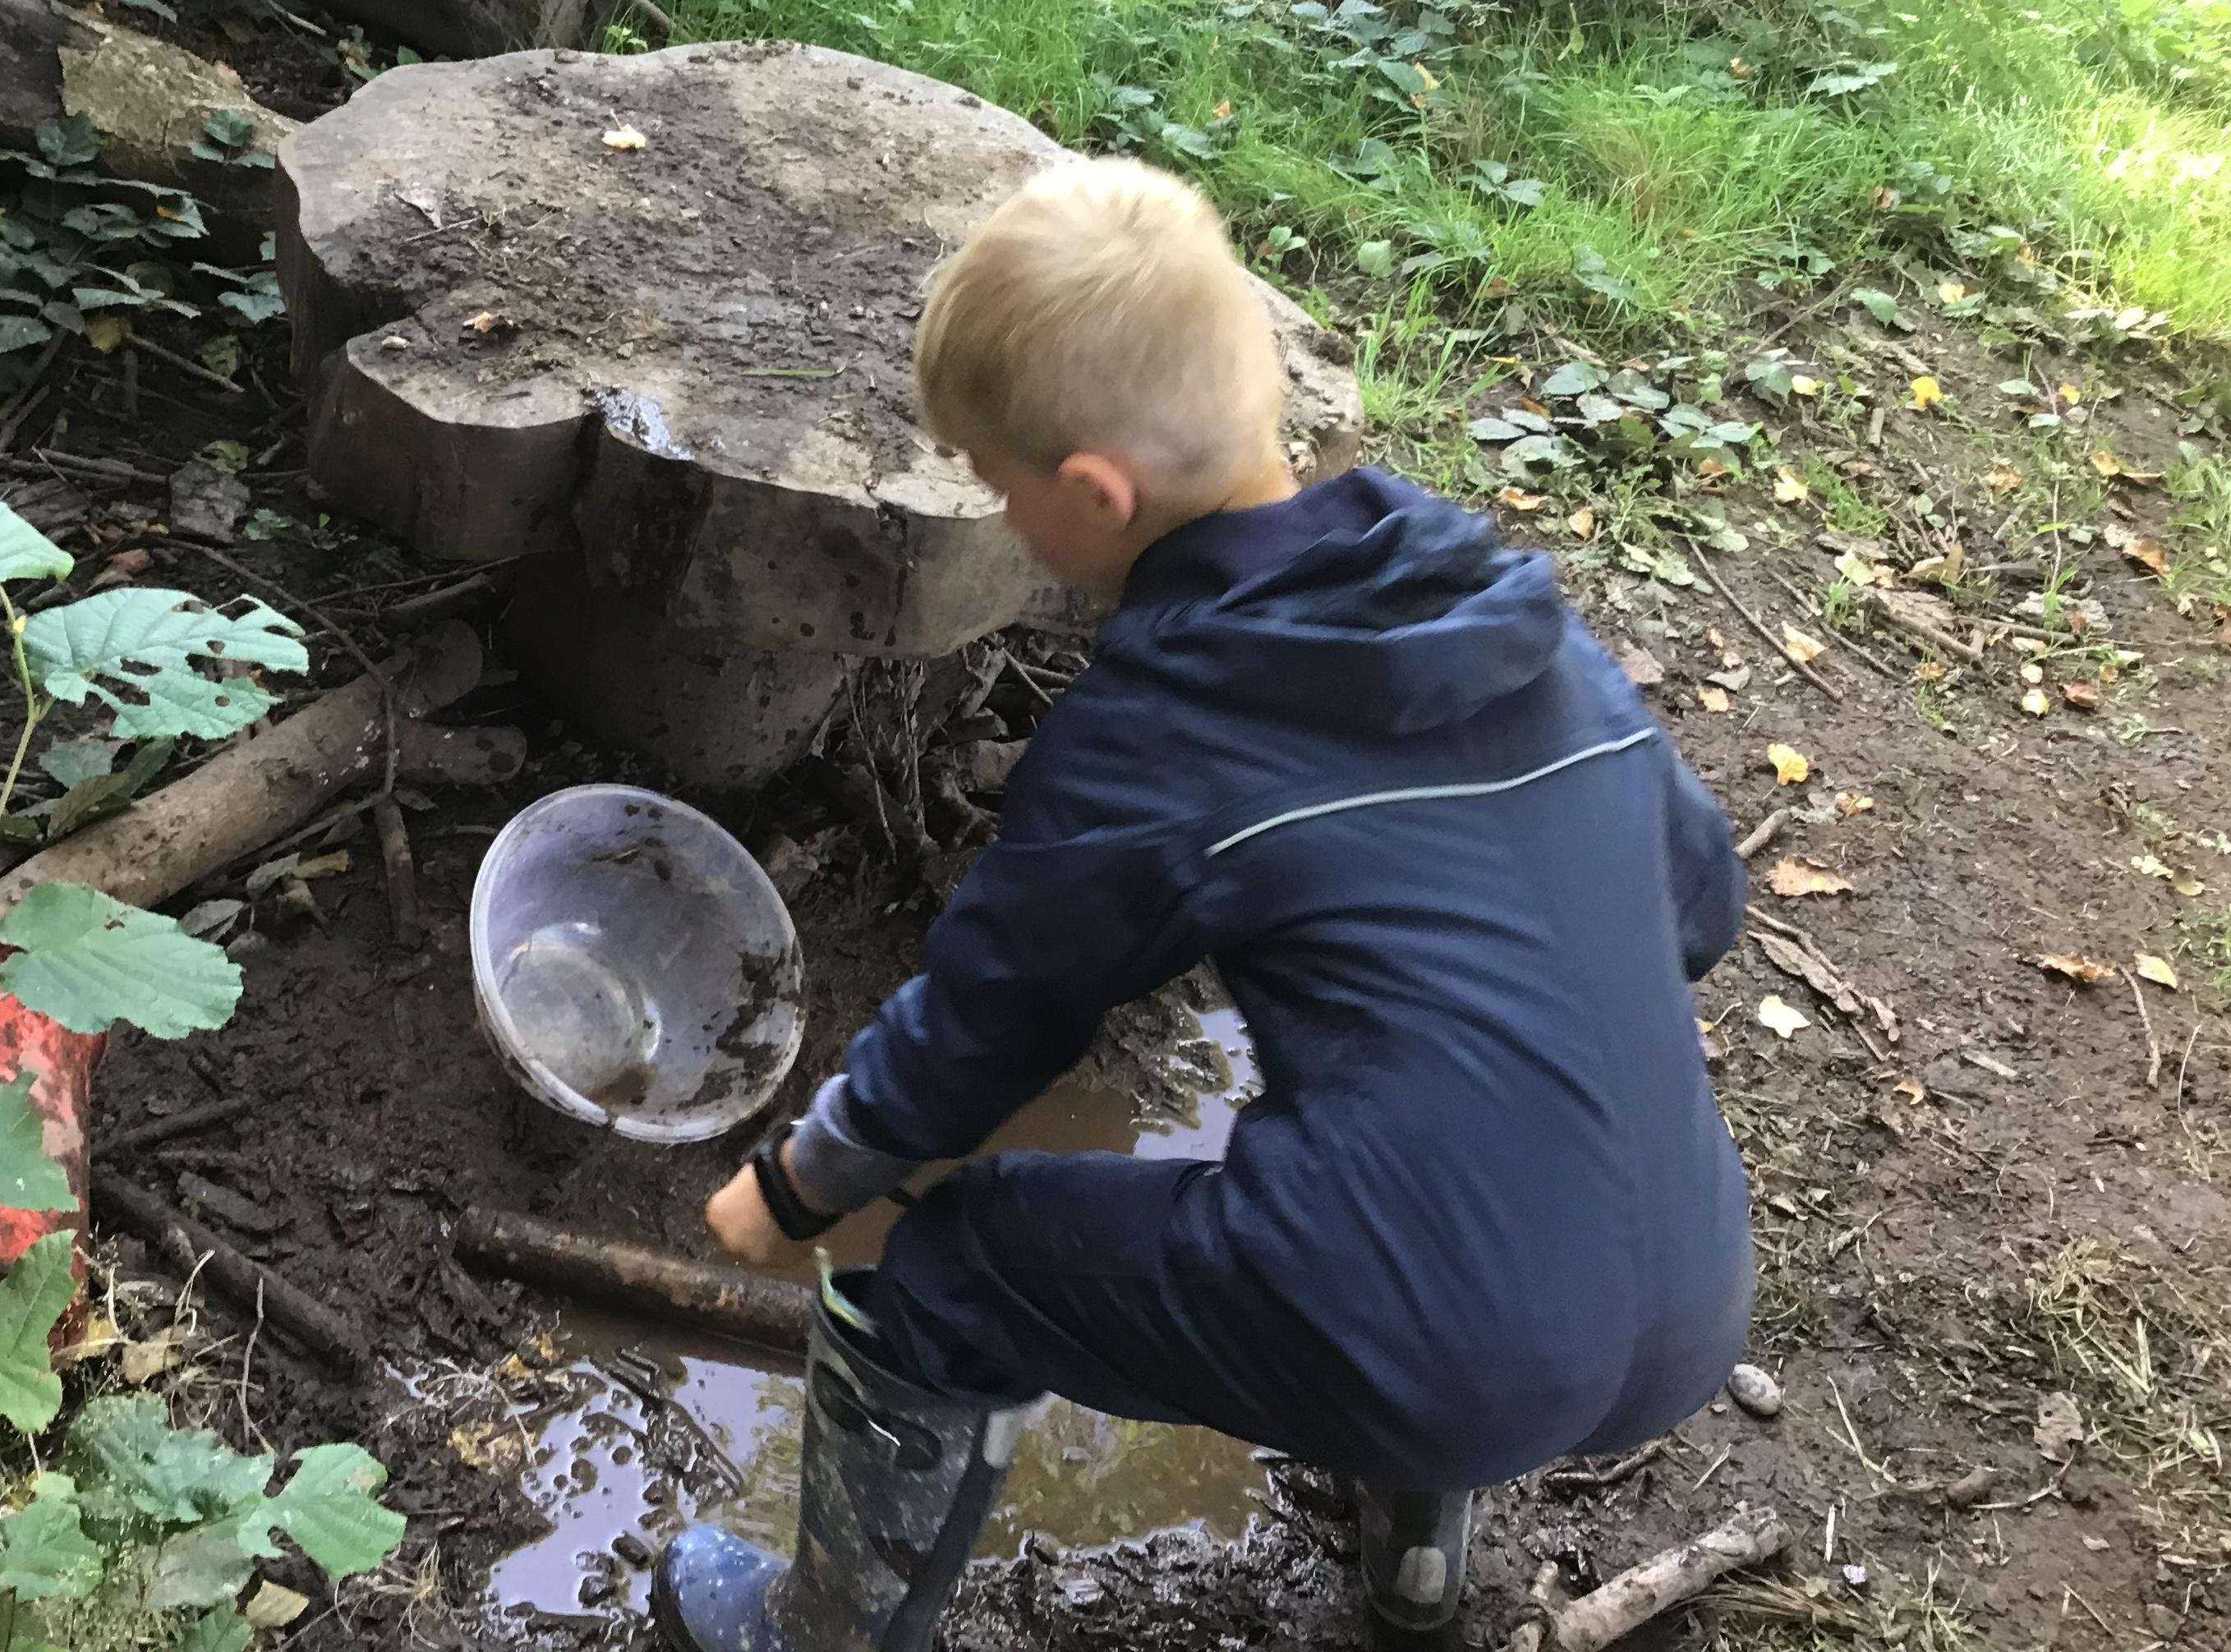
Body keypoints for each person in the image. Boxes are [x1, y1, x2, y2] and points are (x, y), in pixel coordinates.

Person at [653, 159, 1755, 1652]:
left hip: (1447, 1343)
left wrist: (797, 1185)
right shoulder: (1506, 614)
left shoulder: (1163, 723)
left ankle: (818, 1633)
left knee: (961, 1263)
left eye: (996, 483)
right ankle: (1416, 1573)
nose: (999, 512)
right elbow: (1701, 906)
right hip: (1692, 1298)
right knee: (1416, 1164)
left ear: (1095, 493)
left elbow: (988, 1022)